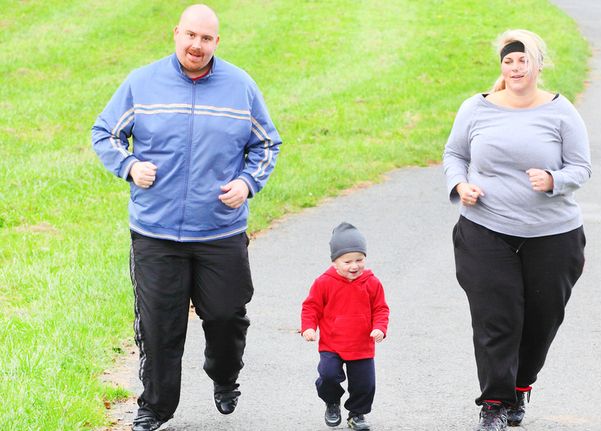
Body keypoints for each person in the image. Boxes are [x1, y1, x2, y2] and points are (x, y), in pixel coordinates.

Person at [91, 4, 282, 431]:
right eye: (190, 35)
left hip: (220, 231)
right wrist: (129, 166)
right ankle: (156, 407)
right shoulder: (142, 83)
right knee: (160, 326)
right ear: (176, 33)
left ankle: (225, 376)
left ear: (217, 42)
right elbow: (104, 133)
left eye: (207, 38)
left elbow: (268, 144)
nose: (197, 45)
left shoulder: (241, 87)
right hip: (155, 232)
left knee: (225, 316)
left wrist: (248, 183)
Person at [443, 29, 590, 431]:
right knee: (496, 318)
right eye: (508, 60)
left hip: (554, 234)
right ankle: (494, 402)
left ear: (538, 65)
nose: (515, 67)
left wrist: (553, 180)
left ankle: (521, 384)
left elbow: (582, 167)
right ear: (501, 66)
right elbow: (455, 153)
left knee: (542, 320)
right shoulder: (476, 107)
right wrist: (460, 185)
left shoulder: (561, 111)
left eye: (522, 60)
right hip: (485, 229)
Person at [300, 223, 390, 431]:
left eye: (359, 260)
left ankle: (356, 415)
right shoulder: (324, 282)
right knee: (328, 375)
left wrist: (380, 328)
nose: (354, 266)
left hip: (362, 345)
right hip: (332, 343)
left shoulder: (372, 283)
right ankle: (332, 402)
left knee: (365, 385)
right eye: (347, 261)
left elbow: (381, 309)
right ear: (335, 262)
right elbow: (311, 307)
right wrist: (309, 327)